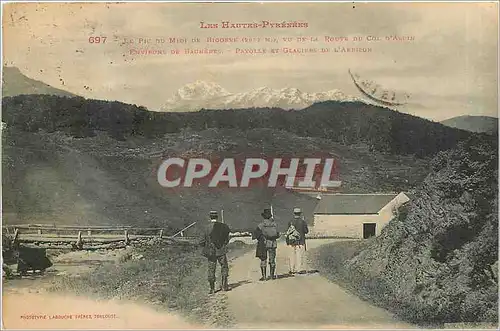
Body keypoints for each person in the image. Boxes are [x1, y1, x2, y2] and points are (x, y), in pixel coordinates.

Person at [200, 210, 231, 294]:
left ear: (210, 217)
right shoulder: (223, 226)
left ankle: (212, 289)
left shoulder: (206, 228)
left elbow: (201, 241)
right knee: (224, 267)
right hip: (221, 250)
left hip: (211, 252)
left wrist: (206, 247)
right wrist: (223, 245)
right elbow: (227, 239)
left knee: (211, 269)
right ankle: (224, 286)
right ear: (217, 217)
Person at [252, 208, 280, 280]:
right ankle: (272, 276)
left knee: (263, 260)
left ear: (263, 216)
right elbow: (278, 235)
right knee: (272, 260)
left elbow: (255, 234)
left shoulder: (261, 225)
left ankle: (264, 277)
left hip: (264, 244)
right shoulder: (274, 224)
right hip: (273, 244)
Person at [286, 207, 309, 274]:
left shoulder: (290, 221)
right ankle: (298, 269)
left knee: (291, 255)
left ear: (294, 213)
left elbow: (288, 232)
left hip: (292, 240)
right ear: (300, 213)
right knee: (299, 255)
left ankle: (292, 269)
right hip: (300, 240)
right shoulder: (302, 221)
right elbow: (306, 231)